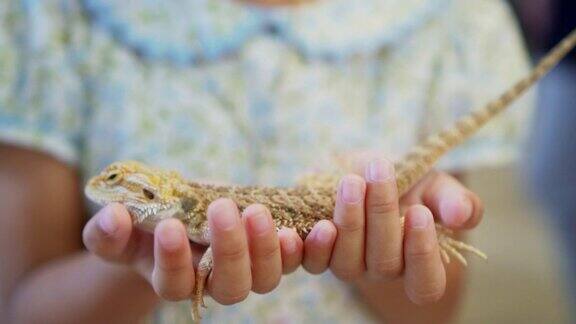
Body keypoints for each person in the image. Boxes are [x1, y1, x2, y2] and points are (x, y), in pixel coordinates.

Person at [0, 0, 533, 323]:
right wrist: (144, 269)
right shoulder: (51, 20)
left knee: (379, 212)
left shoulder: (449, 20)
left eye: (119, 182)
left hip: (328, 204)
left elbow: (434, 309)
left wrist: (414, 242)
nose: (110, 189)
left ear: (147, 192)